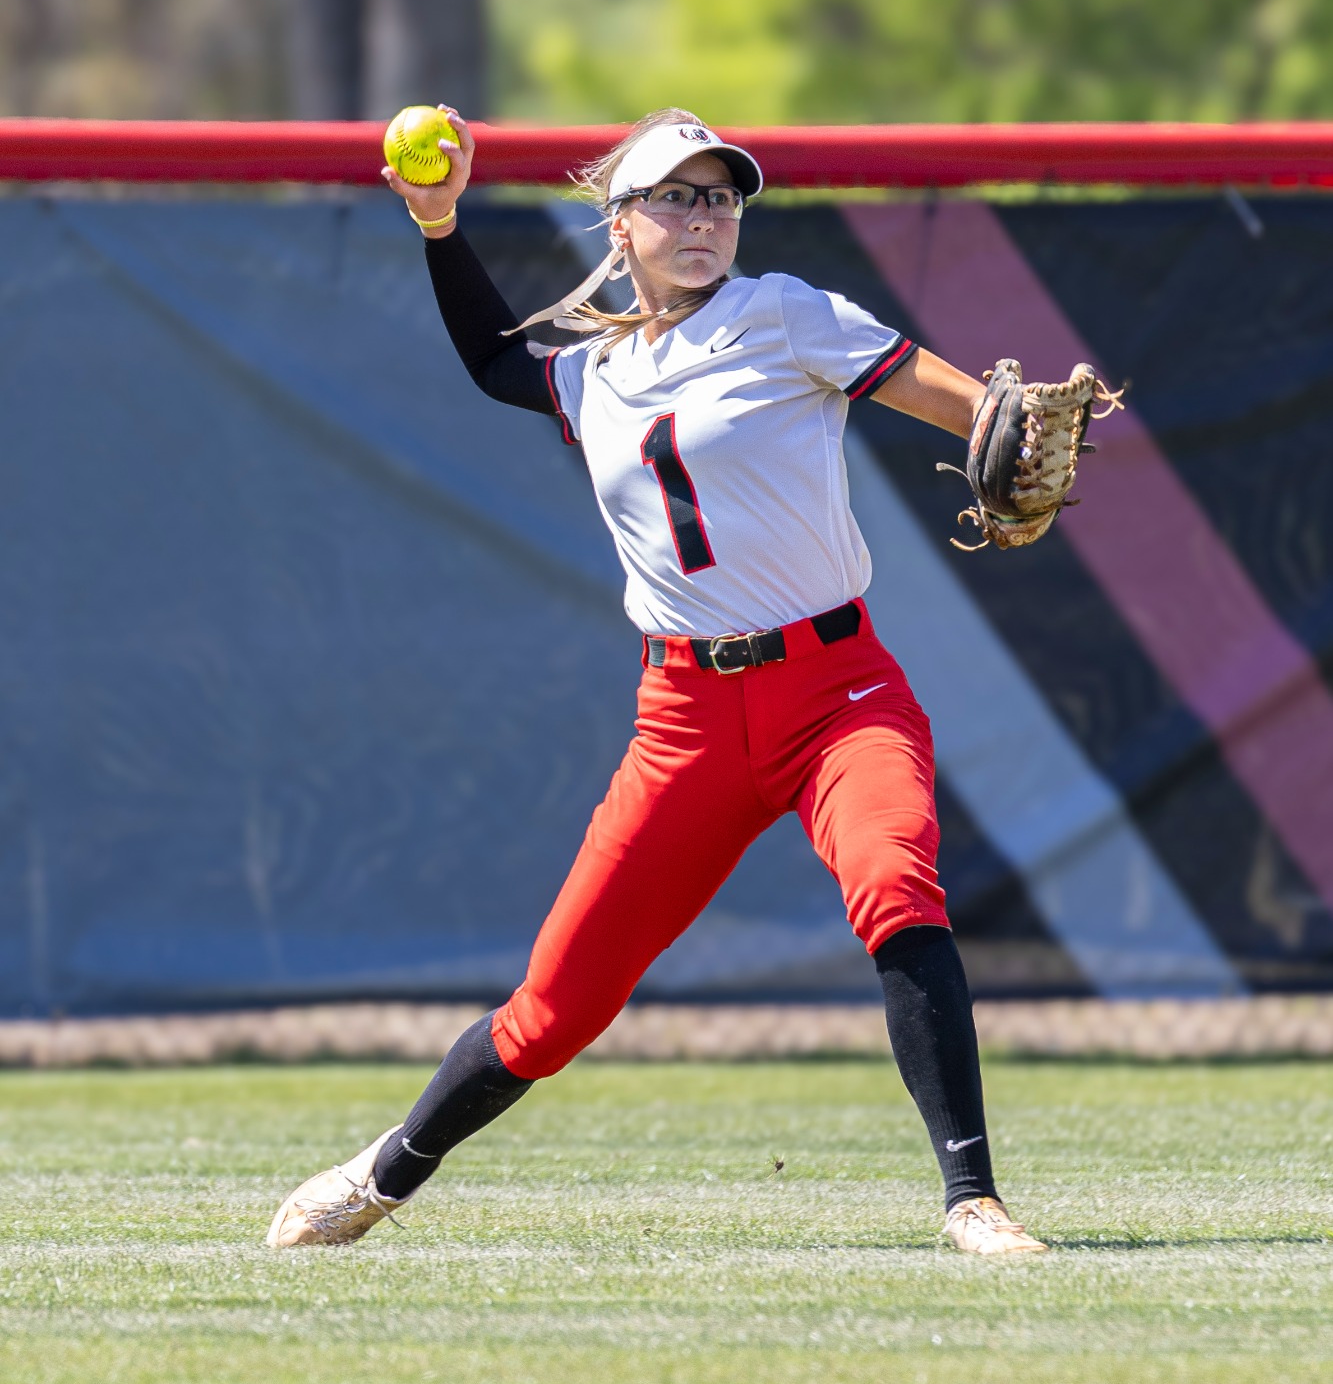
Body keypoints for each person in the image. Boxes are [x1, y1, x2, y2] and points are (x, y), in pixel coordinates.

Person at [266, 106, 1047, 1257]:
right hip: (682, 721)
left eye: (720, 196)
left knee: (895, 884)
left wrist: (1007, 425)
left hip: (837, 691)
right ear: (618, 225)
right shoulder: (596, 374)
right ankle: (384, 1172)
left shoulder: (785, 313)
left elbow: (974, 405)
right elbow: (495, 363)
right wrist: (439, 225)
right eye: (674, 197)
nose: (703, 217)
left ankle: (971, 1198)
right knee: (551, 1009)